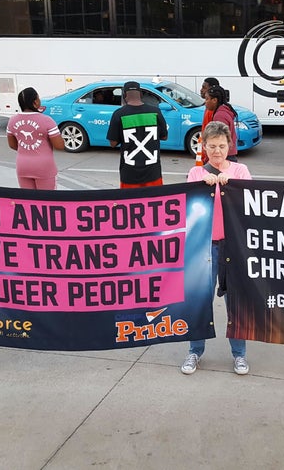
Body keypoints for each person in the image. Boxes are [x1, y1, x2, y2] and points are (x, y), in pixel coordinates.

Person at [181, 120, 252, 376]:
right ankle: (194, 351)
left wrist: (230, 183)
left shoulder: (241, 170)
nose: (217, 152)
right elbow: (187, 207)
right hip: (205, 247)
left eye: (221, 146)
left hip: (234, 247)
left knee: (236, 303)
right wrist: (204, 184)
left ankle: (239, 354)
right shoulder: (196, 173)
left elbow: (253, 203)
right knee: (200, 300)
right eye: (212, 146)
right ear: (204, 147)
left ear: (229, 145)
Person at [107, 81, 168, 188]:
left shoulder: (119, 114)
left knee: (130, 203)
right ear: (140, 94)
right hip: (153, 173)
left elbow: (113, 143)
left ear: (124, 95)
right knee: (154, 202)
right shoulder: (155, 112)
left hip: (129, 174)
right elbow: (164, 136)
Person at [6, 87, 65, 190]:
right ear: (35, 102)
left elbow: (12, 145)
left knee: (29, 201)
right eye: (38, 98)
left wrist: (28, 149)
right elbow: (59, 146)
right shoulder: (47, 120)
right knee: (47, 201)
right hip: (44, 167)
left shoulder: (12, 120)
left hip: (23, 166)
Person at [204, 85, 238, 162]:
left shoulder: (220, 116)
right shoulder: (224, 111)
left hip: (223, 157)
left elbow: (218, 140)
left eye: (207, 99)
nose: (205, 102)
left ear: (214, 100)